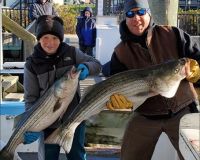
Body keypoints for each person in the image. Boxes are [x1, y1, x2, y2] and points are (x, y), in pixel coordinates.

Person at [105, 0, 200, 159]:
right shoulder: (120, 52)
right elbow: (115, 82)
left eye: (141, 12)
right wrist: (121, 101)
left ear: (149, 14)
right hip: (145, 115)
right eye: (130, 13)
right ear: (125, 18)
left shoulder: (173, 34)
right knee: (129, 155)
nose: (136, 18)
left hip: (182, 109)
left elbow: (197, 57)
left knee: (195, 154)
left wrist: (197, 74)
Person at [23, 15, 101, 160]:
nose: (50, 43)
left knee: (77, 155)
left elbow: (96, 64)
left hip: (74, 118)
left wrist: (87, 67)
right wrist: (29, 125)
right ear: (39, 38)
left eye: (55, 38)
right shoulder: (31, 64)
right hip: (46, 123)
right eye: (45, 37)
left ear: (61, 39)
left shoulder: (71, 52)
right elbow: (30, 98)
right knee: (48, 157)